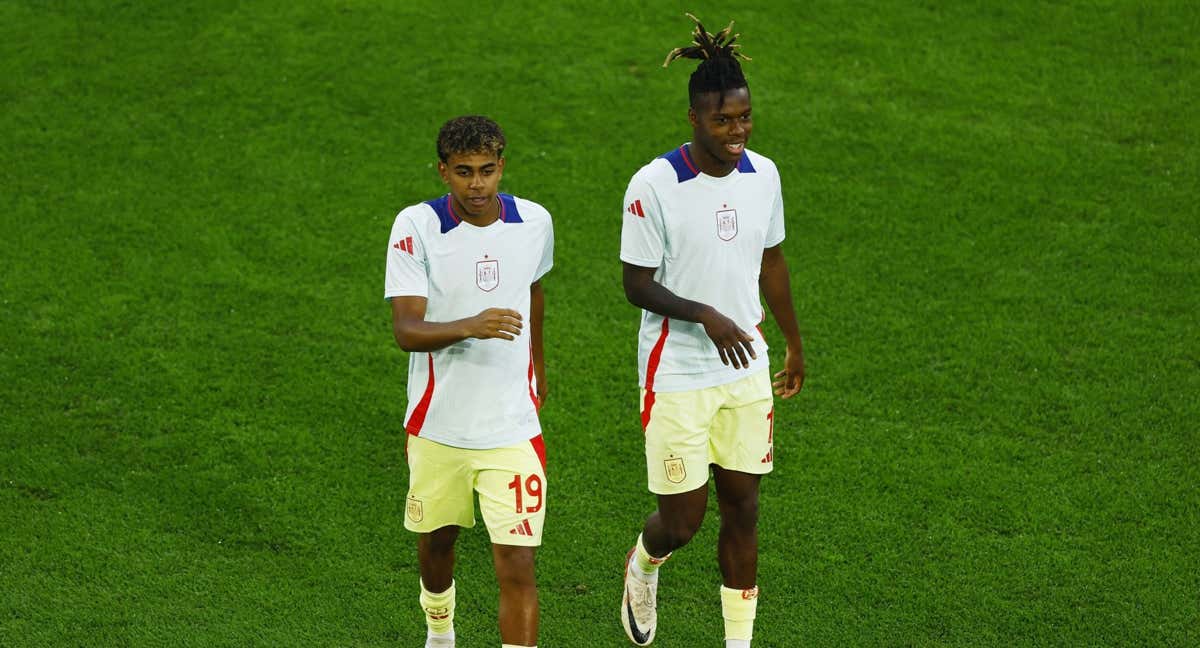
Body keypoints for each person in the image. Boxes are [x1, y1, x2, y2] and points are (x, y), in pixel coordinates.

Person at [618, 15, 805, 648]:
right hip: (677, 371)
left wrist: (794, 343)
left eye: (745, 117)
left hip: (746, 367)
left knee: (745, 508)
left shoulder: (765, 176)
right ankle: (645, 563)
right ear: (694, 119)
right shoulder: (655, 186)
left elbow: (771, 262)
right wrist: (705, 314)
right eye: (723, 121)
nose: (737, 132)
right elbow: (636, 283)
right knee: (683, 521)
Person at [385, 115, 553, 648]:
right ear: (442, 172)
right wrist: (472, 325)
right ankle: (440, 633)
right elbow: (407, 330)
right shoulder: (416, 227)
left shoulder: (535, 222)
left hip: (511, 428)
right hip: (439, 426)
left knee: (518, 565)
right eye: (463, 172)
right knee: (437, 545)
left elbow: (535, 293)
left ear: (502, 167)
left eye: (486, 171)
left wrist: (539, 370)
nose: (476, 185)